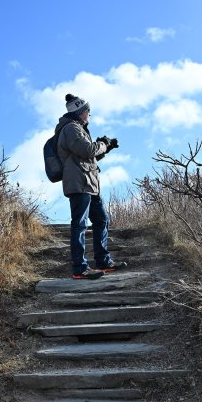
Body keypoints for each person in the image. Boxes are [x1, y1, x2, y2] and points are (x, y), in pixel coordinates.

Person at [55, 94, 127, 279]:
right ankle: (80, 268)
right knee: (79, 224)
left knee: (102, 220)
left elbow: (87, 156)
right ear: (80, 112)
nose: (89, 114)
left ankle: (103, 261)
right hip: (79, 184)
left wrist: (106, 148)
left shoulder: (77, 128)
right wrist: (102, 144)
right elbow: (87, 150)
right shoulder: (71, 128)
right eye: (88, 111)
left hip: (89, 184)